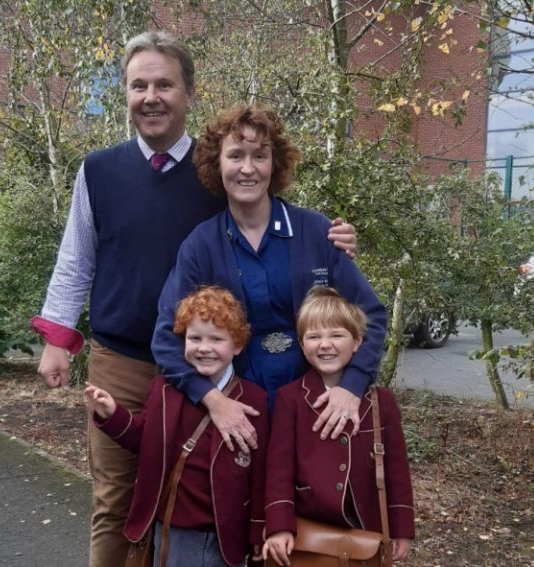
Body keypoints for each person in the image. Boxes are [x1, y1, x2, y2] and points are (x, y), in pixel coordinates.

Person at [31, 32, 356, 567]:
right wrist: (58, 339)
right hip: (122, 363)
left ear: (188, 93)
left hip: (211, 368)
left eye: (164, 84)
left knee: (201, 500)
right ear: (126, 94)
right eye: (139, 85)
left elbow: (276, 228)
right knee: (116, 503)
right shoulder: (99, 171)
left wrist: (336, 241)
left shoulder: (218, 170)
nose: (151, 96)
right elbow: (76, 259)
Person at [152, 105, 387, 456]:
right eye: (235, 155)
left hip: (316, 409)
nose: (247, 168)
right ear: (218, 164)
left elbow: (372, 316)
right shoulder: (201, 246)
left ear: (274, 164)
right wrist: (214, 401)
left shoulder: (317, 232)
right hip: (238, 414)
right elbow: (165, 339)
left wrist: (351, 387)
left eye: (259, 155)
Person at [85, 286, 268, 567]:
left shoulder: (253, 399)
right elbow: (145, 441)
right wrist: (112, 415)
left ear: (238, 345)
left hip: (218, 533)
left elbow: (260, 473)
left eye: (216, 339)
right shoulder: (165, 388)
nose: (204, 348)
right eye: (195, 338)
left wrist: (258, 530)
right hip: (167, 525)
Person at [262, 287, 415, 566]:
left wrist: (402, 528)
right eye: (314, 336)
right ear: (300, 342)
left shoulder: (382, 403)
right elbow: (278, 469)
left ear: (357, 341)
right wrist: (279, 525)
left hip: (366, 526)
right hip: (309, 531)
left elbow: (397, 471)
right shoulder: (290, 398)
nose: (325, 344)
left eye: (336, 335)